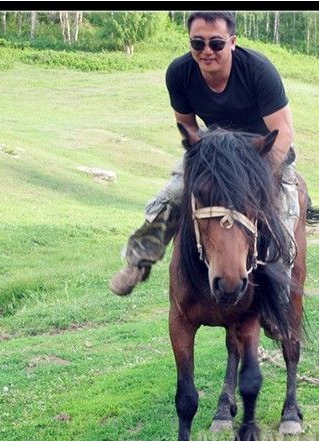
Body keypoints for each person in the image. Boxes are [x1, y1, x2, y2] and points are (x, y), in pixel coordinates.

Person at [110, 11, 299, 296]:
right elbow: (187, 125)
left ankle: (278, 298)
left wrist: (254, 176)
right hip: (214, 150)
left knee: (283, 218)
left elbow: (283, 131)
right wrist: (201, 154)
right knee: (171, 196)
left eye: (216, 43)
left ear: (232, 42)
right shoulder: (179, 73)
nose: (207, 51)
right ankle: (137, 262)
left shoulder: (258, 71)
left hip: (261, 153)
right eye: (197, 43)